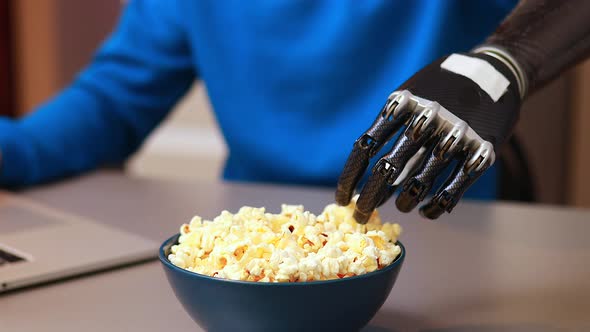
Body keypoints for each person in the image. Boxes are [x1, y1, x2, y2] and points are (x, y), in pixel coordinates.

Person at [0, 1, 587, 221]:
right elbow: (112, 101)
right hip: (254, 229)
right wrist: (15, 149)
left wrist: (508, 61)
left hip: (435, 215)